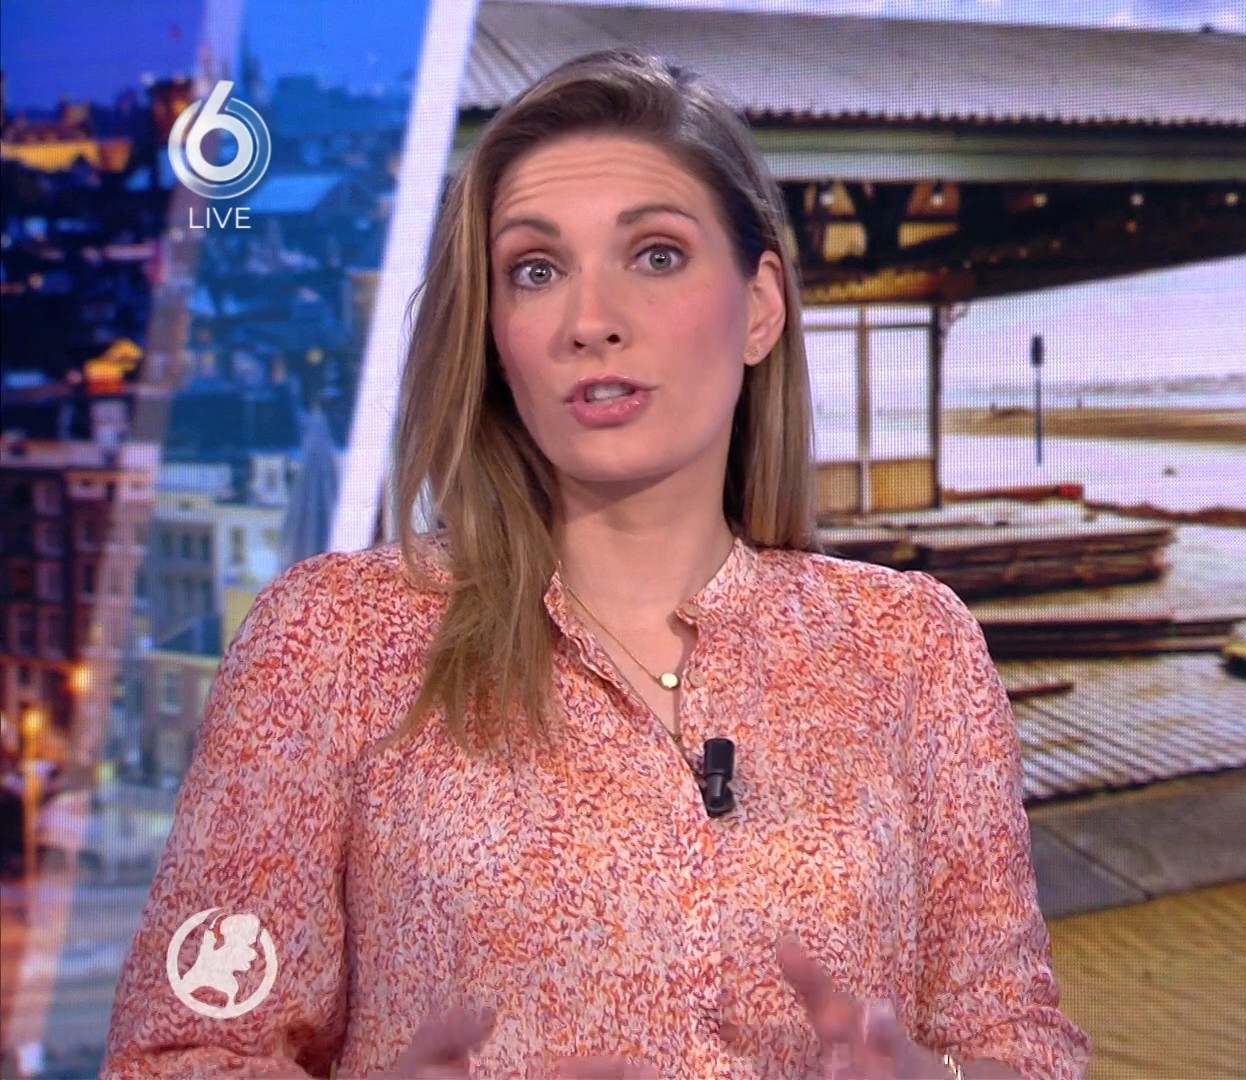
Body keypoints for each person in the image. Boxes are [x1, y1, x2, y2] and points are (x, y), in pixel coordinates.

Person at [102, 47, 1090, 1080]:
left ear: (759, 308)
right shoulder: (334, 641)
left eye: (656, 255)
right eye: (536, 271)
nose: (590, 322)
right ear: (495, 337)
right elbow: (176, 1054)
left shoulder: (911, 648)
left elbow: (1016, 1040)